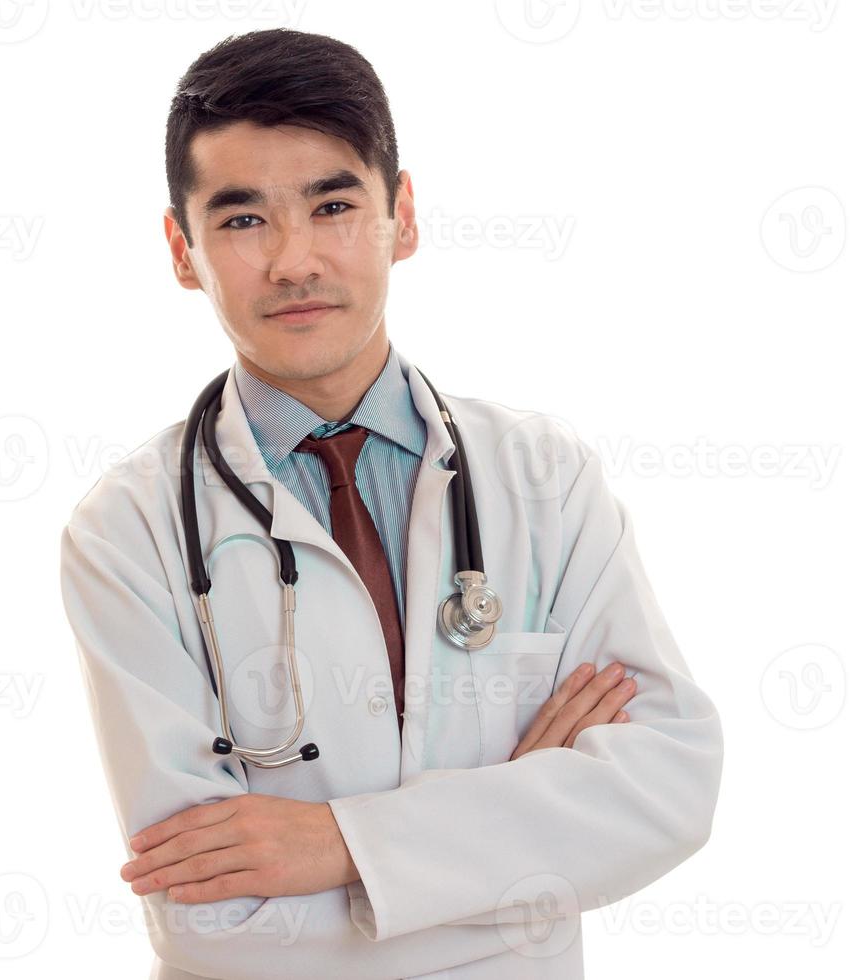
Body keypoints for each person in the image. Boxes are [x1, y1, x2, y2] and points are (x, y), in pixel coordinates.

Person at [58, 27, 724, 980]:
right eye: (243, 220)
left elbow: (668, 791)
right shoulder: (126, 533)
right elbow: (212, 917)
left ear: (401, 217)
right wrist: (526, 838)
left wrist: (336, 845)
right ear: (181, 249)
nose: (293, 262)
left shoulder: (546, 477)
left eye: (334, 204)